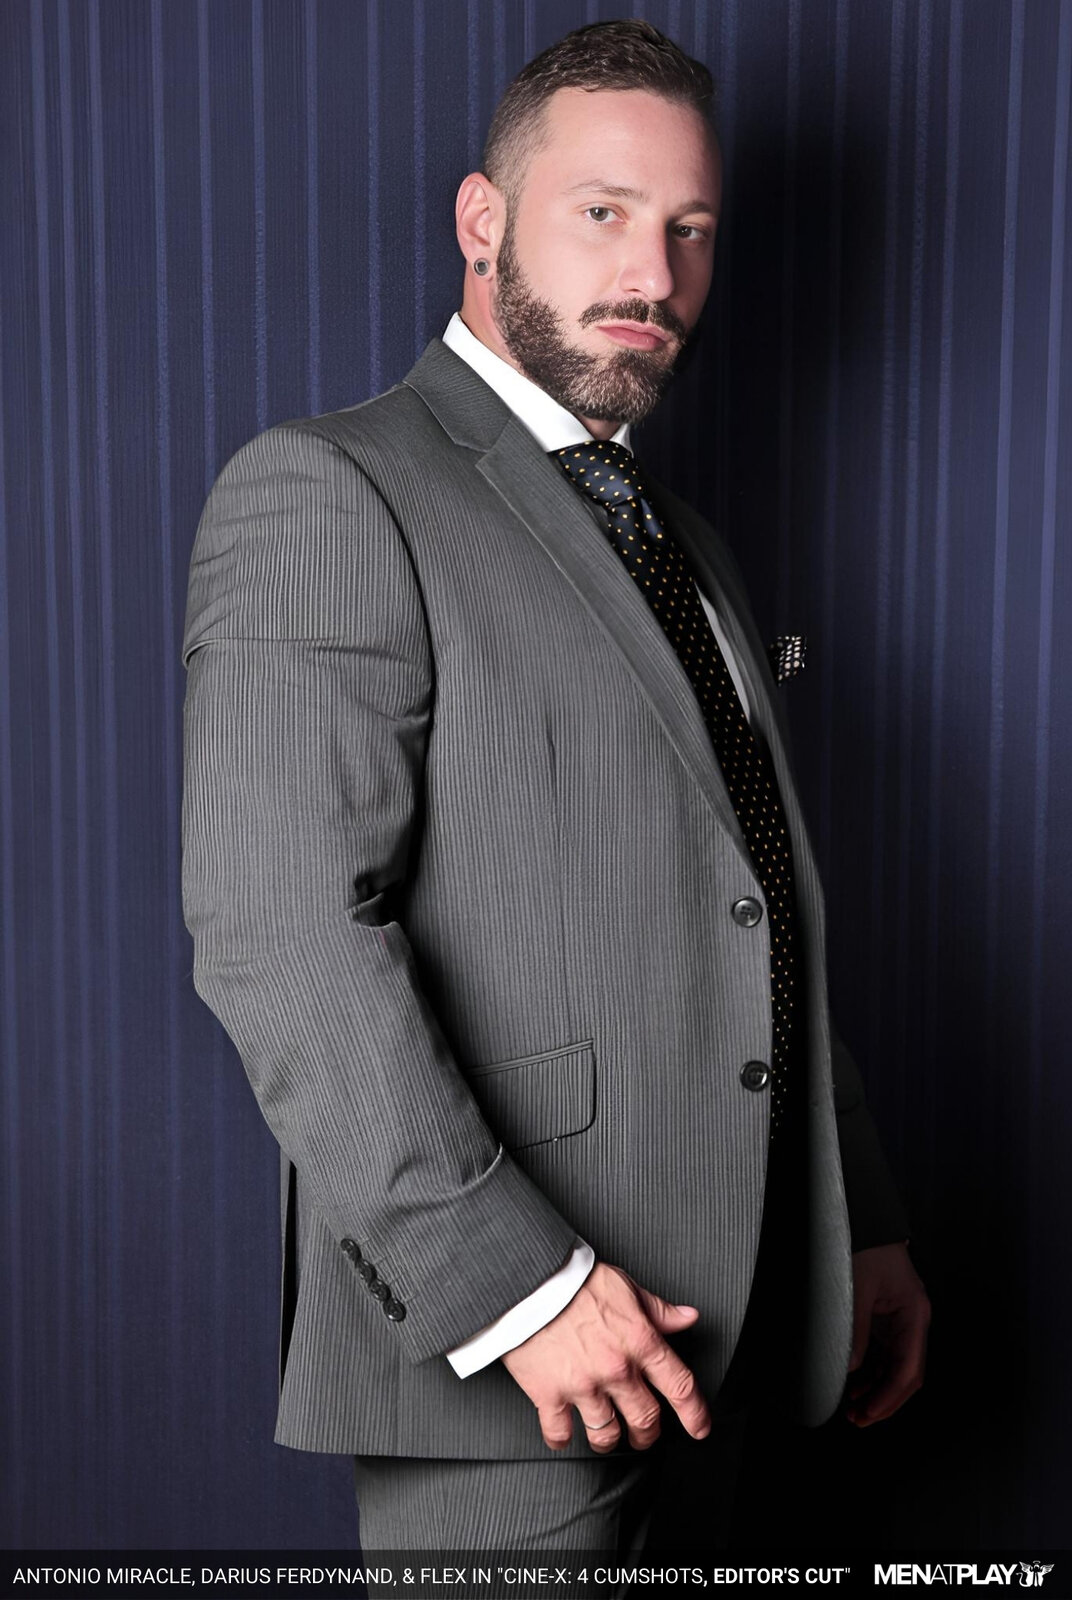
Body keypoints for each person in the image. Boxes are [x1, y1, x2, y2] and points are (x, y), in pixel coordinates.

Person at [180, 18, 930, 1560]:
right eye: (604, 211)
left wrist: (854, 1217)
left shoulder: (685, 543)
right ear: (484, 221)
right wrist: (518, 1289)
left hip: (741, 1319)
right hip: (513, 1362)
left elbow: (747, 898)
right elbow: (279, 934)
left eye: (691, 229)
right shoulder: (330, 488)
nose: (653, 272)